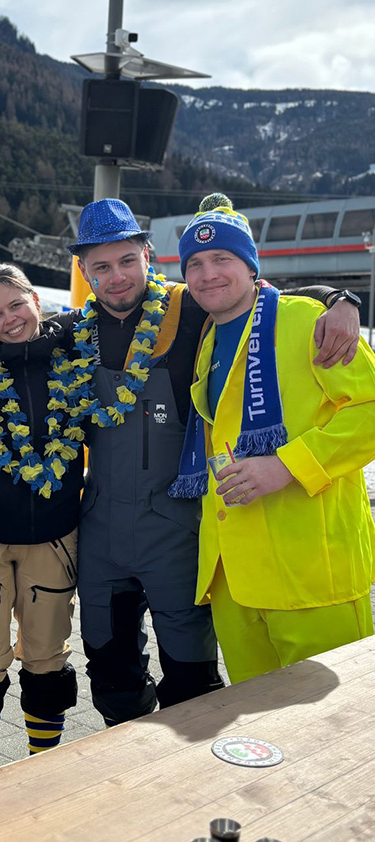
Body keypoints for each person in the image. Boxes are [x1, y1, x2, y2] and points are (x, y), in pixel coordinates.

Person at [67, 197, 362, 726]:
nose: (117, 277)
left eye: (127, 260)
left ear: (147, 256)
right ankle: (134, 767)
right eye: (101, 267)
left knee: (198, 684)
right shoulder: (70, 335)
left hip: (189, 536)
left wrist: (339, 300)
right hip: (119, 537)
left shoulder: (190, 312)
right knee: (113, 672)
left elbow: (263, 298)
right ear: (84, 272)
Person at [169, 194, 375, 683]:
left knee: (335, 725)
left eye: (222, 258)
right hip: (234, 581)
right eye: (195, 264)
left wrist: (286, 465)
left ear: (250, 265)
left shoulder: (307, 320)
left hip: (310, 574)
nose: (208, 274)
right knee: (261, 728)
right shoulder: (207, 340)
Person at [0, 263, 82, 776]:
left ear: (36, 301)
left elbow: (143, 306)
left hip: (55, 536)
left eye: (17, 305)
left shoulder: (74, 352)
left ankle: (40, 777)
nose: (9, 320)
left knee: (46, 661)